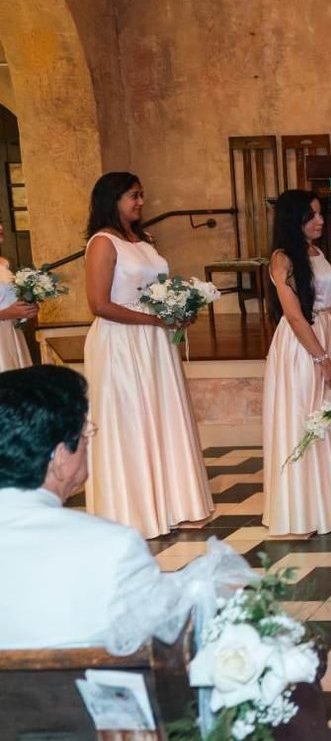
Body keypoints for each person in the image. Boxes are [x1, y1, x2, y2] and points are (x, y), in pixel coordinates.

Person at [0, 366, 192, 653]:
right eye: (85, 434)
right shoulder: (114, 547)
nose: (88, 444)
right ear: (61, 456)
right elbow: (168, 644)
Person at [82, 171, 214, 539]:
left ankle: (171, 504)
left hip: (154, 340)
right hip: (121, 341)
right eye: (134, 196)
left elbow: (156, 288)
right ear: (113, 199)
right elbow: (99, 304)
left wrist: (178, 309)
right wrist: (155, 319)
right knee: (130, 420)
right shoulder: (103, 242)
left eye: (141, 195)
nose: (141, 202)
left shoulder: (144, 239)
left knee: (161, 414)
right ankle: (134, 510)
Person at [262, 189, 331, 536]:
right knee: (304, 416)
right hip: (302, 344)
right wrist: (322, 360)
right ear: (294, 219)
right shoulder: (282, 259)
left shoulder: (316, 251)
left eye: (320, 214)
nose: (320, 221)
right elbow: (293, 316)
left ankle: (328, 505)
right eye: (312, 215)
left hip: (327, 333)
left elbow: (330, 304)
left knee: (327, 418)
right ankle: (300, 511)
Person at [0, 220, 37, 371]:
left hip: (11, 335)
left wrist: (26, 308)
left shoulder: (3, 264)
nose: (1, 227)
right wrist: (7, 313)